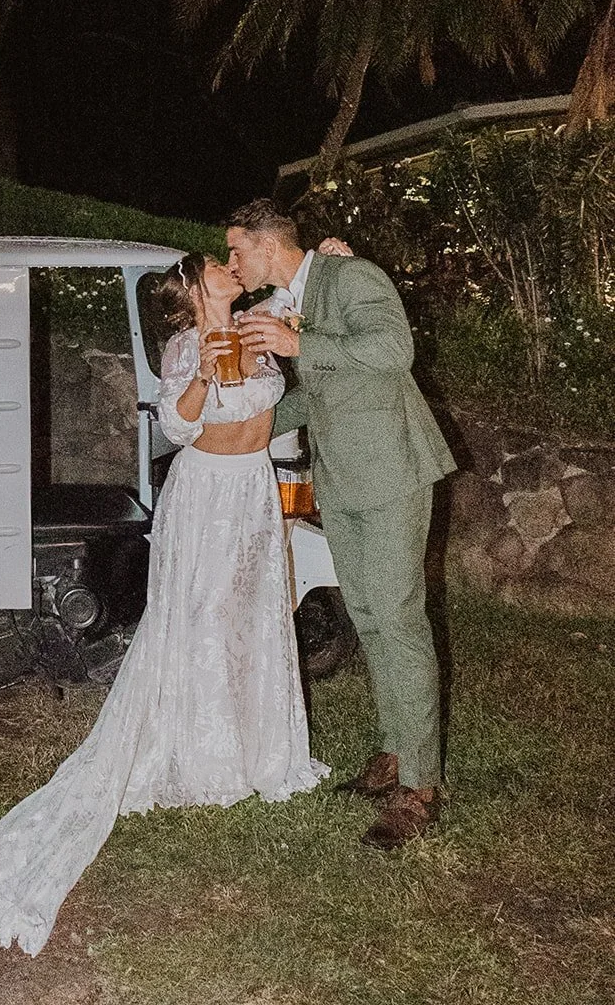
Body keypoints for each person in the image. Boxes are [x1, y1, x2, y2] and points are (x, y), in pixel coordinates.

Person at [0, 250, 329, 956]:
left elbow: (306, 290)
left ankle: (261, 748)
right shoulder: (183, 347)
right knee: (200, 619)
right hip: (205, 491)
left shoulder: (259, 324)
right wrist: (202, 377)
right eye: (219, 265)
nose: (233, 267)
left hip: (252, 493)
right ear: (195, 289)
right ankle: (205, 754)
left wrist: (331, 260)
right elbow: (175, 426)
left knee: (252, 617)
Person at [230, 199, 455, 851]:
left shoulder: (352, 277)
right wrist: (240, 430)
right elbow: (325, 390)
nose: (232, 263)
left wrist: (298, 343)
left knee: (398, 618)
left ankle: (420, 786)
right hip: (343, 480)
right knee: (371, 617)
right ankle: (397, 748)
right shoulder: (293, 300)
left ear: (268, 244)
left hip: (392, 472)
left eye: (237, 250)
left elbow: (394, 350)